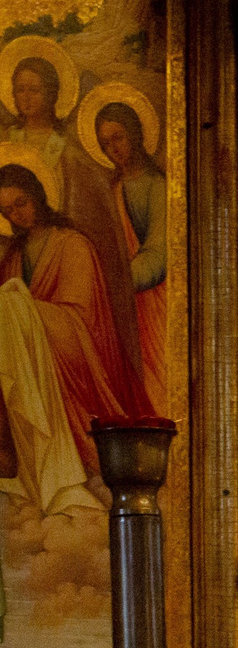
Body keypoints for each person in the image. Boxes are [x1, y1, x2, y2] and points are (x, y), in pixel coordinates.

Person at [0, 163, 140, 493]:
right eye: (7, 210)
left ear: (37, 195)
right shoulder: (14, 257)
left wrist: (21, 308)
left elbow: (81, 316)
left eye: (21, 203)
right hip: (28, 351)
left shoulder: (72, 244)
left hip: (74, 348)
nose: (17, 214)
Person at [89, 102, 165, 415]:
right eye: (105, 143)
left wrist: (117, 285)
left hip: (151, 300)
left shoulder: (157, 187)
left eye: (118, 137)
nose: (113, 148)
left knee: (156, 380)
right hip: (122, 304)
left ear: (135, 134)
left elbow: (159, 252)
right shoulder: (111, 188)